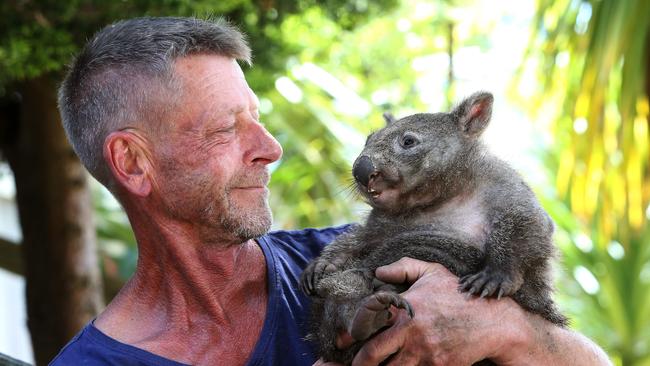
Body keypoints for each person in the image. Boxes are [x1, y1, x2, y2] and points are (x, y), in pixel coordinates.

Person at [50, 16, 611, 366]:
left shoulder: (362, 250)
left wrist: (507, 330)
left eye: (259, 120)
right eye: (226, 129)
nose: (271, 148)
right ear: (132, 162)